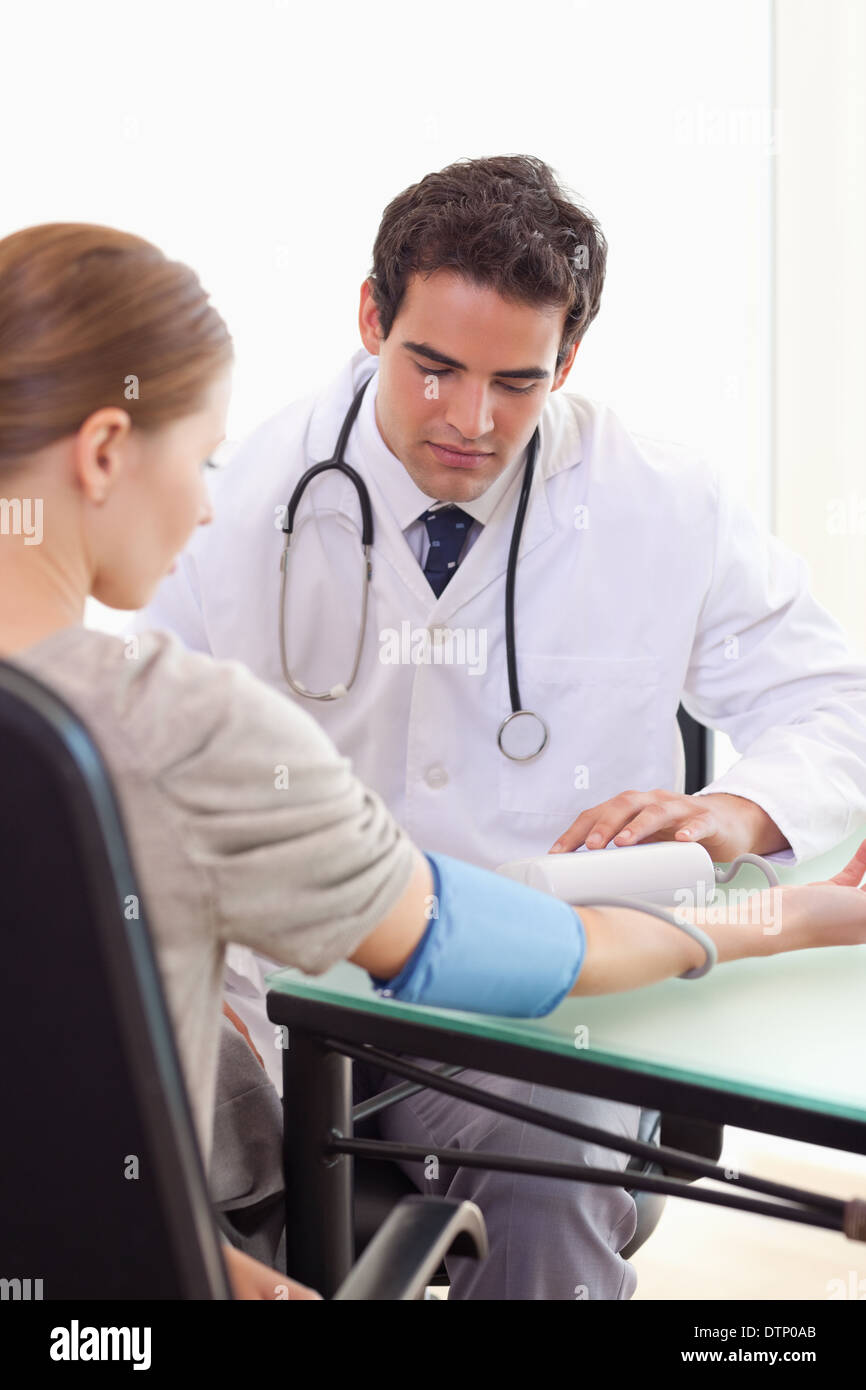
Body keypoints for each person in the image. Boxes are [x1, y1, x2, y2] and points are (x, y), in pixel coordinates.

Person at [2, 221, 865, 1302]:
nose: (470, 417)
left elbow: (830, 701)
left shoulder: (658, 495)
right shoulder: (178, 710)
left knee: (545, 1155)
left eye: (516, 380)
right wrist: (777, 919)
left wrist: (734, 810)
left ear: (567, 362)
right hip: (322, 987)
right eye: (434, 369)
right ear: (372, 319)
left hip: (476, 1020)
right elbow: (469, 938)